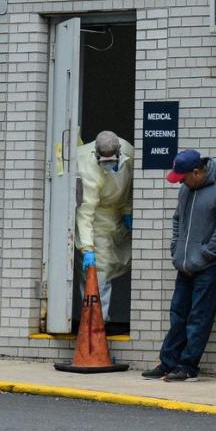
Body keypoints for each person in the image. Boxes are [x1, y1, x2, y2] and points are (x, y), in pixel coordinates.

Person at [141, 149, 216, 382]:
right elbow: (177, 219)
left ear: (197, 171)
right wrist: (176, 248)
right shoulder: (187, 189)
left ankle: (188, 367)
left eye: (183, 177)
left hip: (210, 267)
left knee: (199, 317)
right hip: (184, 265)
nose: (181, 182)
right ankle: (168, 363)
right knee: (178, 315)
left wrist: (205, 254)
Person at [74, 130, 134, 324]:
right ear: (96, 154)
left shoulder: (128, 151)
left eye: (112, 161)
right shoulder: (86, 164)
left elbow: (135, 182)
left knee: (114, 265)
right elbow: (85, 212)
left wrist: (127, 209)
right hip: (97, 218)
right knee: (99, 272)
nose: (108, 166)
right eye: (104, 162)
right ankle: (98, 323)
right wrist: (87, 247)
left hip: (117, 213)